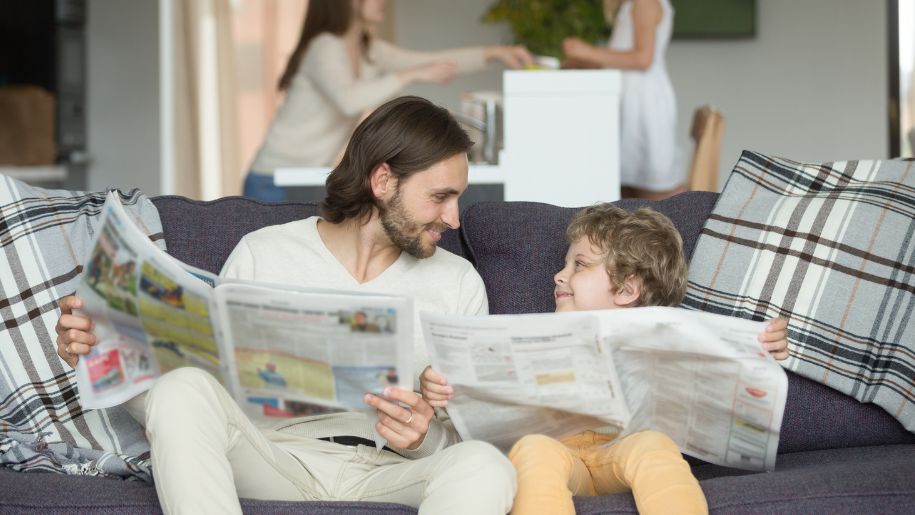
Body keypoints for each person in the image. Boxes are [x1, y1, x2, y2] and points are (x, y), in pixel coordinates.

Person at [55, 96, 516, 514]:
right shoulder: (265, 252)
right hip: (273, 458)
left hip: (386, 471)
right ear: (382, 181)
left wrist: (423, 437)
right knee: (182, 389)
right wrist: (100, 343)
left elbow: (459, 444)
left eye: (458, 198)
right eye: (440, 197)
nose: (453, 219)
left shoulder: (458, 283)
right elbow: (198, 394)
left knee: (485, 465)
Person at [420, 204, 790, 515]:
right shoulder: (531, 333)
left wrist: (758, 352)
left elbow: (720, 385)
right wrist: (443, 387)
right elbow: (481, 404)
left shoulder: (666, 337)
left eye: (579, 265)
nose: (560, 275)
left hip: (621, 453)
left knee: (653, 446)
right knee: (533, 449)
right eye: (566, 264)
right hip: (564, 456)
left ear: (627, 289)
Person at [245, 0, 534, 201]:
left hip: (298, 176)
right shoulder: (325, 47)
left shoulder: (367, 50)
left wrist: (494, 53)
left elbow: (434, 62)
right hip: (272, 178)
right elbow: (348, 99)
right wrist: (410, 75)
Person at [562, 0, 682, 200]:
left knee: (653, 191)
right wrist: (587, 63)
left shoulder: (646, 3)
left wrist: (588, 51)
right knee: (629, 191)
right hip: (631, 105)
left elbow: (643, 59)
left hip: (645, 106)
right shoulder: (629, 6)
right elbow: (622, 60)